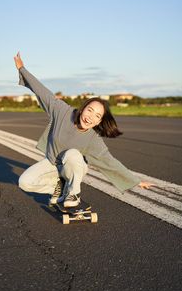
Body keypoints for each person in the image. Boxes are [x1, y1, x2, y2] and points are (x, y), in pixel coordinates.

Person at [14, 52, 152, 207]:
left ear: (99, 121)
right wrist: (22, 69)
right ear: (83, 108)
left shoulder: (93, 139)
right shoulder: (62, 111)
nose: (90, 117)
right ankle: (58, 189)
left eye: (97, 116)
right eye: (90, 110)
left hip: (73, 168)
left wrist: (136, 181)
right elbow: (42, 91)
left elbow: (110, 163)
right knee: (24, 182)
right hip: (53, 164)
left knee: (73, 154)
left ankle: (73, 194)